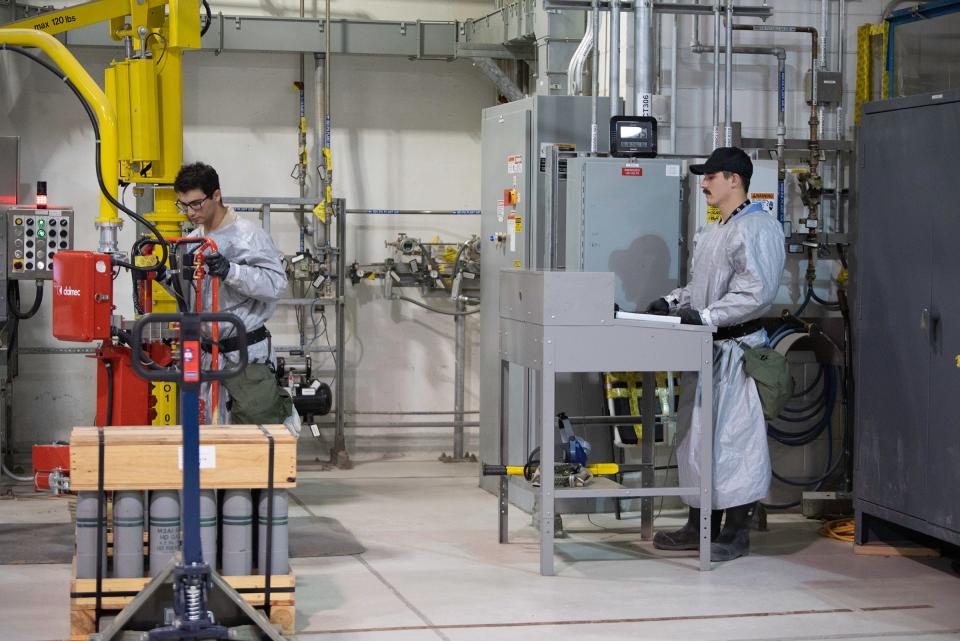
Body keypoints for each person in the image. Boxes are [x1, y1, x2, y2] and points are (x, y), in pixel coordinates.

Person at [646, 147, 785, 561]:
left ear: (734, 180)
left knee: (734, 441)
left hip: (739, 353)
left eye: (710, 176)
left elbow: (756, 294)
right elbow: (700, 286)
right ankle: (697, 525)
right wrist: (671, 303)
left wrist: (706, 315)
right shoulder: (714, 231)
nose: (703, 184)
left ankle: (737, 532)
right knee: (696, 438)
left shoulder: (758, 228)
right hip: (708, 348)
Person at [171, 162, 295, 430]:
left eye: (195, 204)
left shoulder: (248, 236)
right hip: (206, 356)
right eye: (183, 205)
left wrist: (231, 271)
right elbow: (191, 296)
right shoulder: (192, 240)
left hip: (245, 356)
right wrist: (164, 278)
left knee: (253, 434)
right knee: (208, 438)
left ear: (216, 195)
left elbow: (276, 284)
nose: (189, 212)